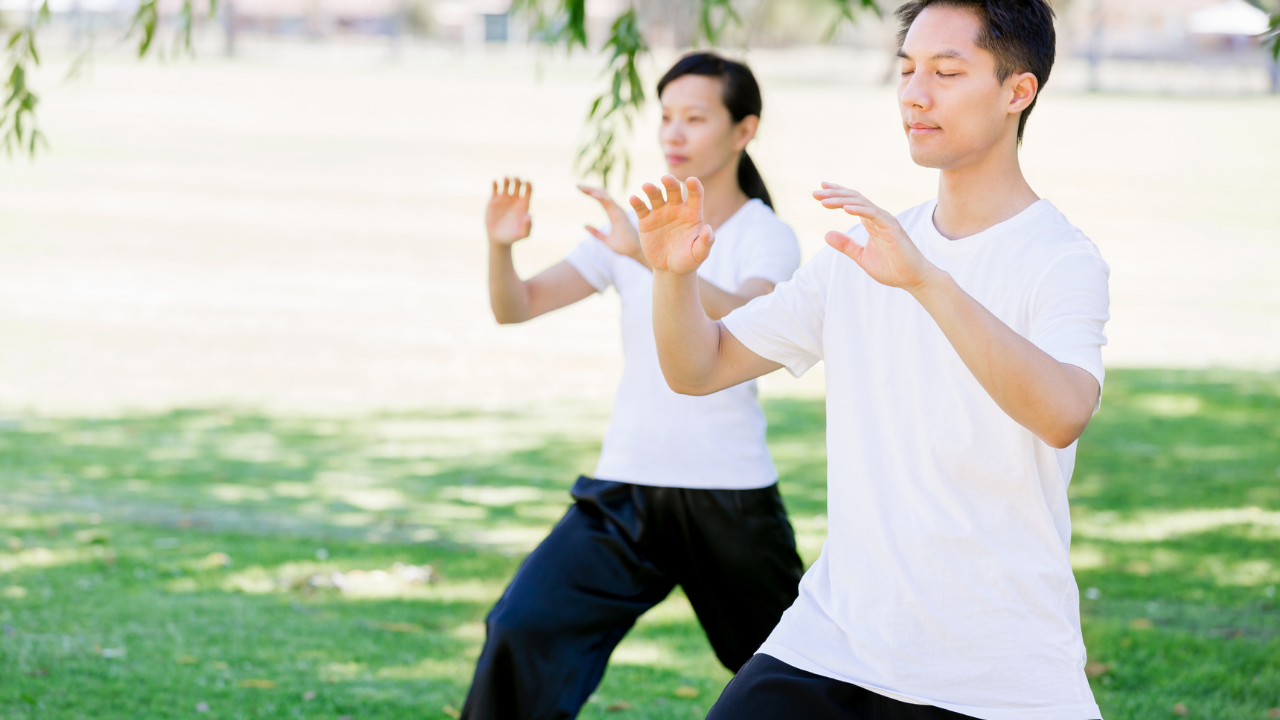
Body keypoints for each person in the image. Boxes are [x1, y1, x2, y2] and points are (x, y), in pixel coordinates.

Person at [633, 2, 1110, 719]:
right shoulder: (860, 253)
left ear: (1019, 91)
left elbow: (1063, 412)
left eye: (947, 72)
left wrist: (927, 280)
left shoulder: (1059, 260)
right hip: (835, 642)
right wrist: (672, 278)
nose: (916, 93)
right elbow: (697, 369)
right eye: (907, 69)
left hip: (997, 669)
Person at [462, 53, 805, 720]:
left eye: (695, 118)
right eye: (667, 117)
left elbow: (748, 314)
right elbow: (517, 305)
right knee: (520, 629)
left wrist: (656, 259)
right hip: (623, 493)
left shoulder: (767, 237)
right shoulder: (637, 229)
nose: (673, 134)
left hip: (728, 497)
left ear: (744, 130)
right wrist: (501, 247)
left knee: (797, 667)